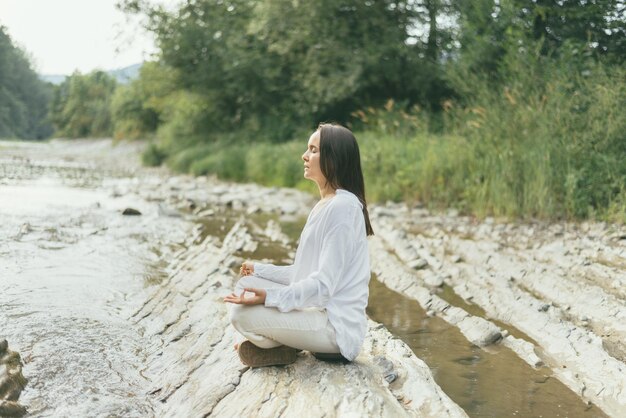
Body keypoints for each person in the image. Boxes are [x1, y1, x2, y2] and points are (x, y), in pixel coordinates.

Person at [224, 123, 374, 368]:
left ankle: (282, 346)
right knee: (246, 286)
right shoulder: (327, 204)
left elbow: (323, 286)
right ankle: (283, 345)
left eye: (313, 150)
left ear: (333, 159)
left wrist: (270, 297)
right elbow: (302, 274)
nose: (305, 156)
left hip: (334, 329)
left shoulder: (343, 208)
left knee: (240, 313)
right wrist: (259, 271)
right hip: (316, 315)